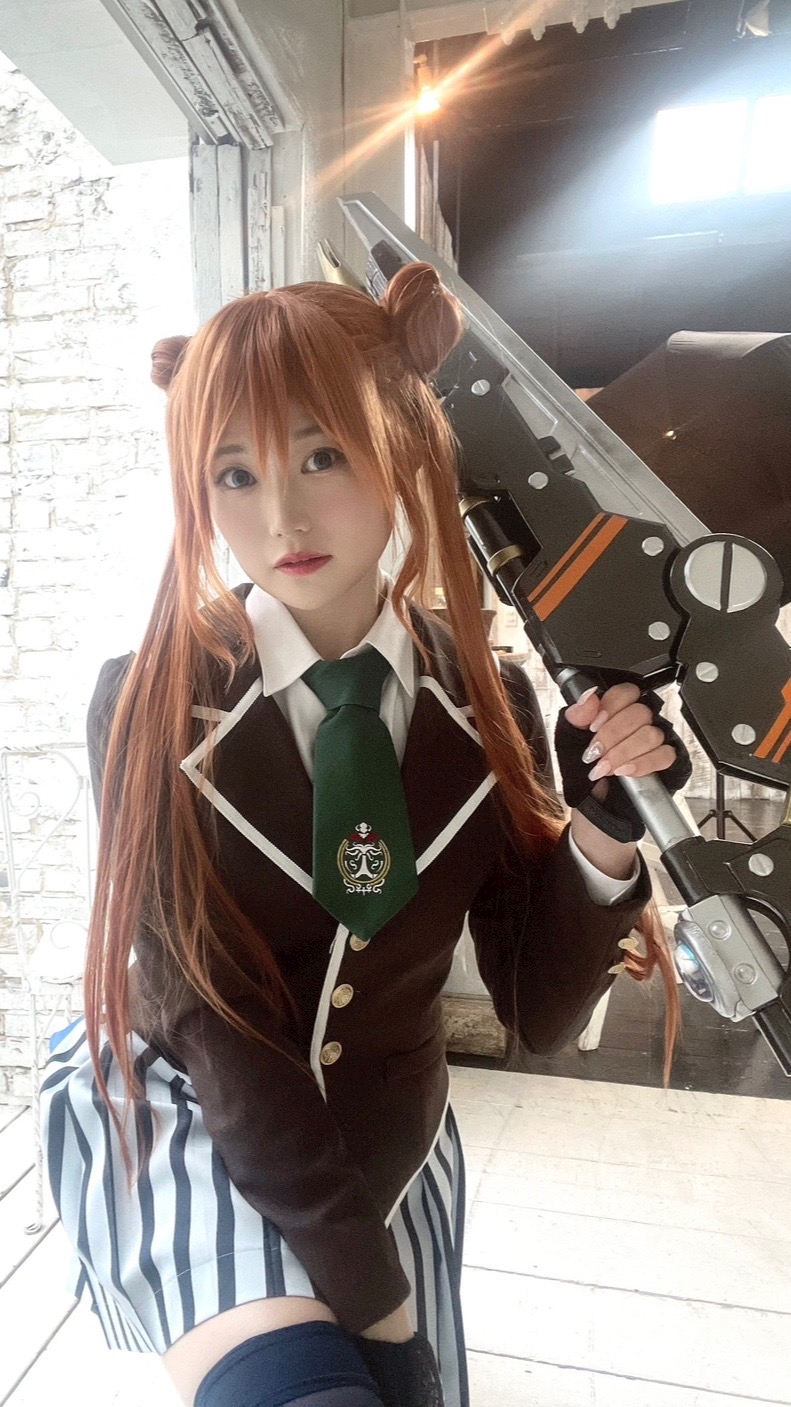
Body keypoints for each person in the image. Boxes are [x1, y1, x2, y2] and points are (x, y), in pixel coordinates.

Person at [39, 263, 689, 1407]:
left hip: (392, 1137)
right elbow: (210, 1014)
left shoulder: (483, 696)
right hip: (197, 1108)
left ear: (399, 446)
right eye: (233, 475)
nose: (279, 519)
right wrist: (376, 1306)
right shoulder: (146, 699)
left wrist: (601, 827)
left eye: (320, 456)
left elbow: (537, 1012)